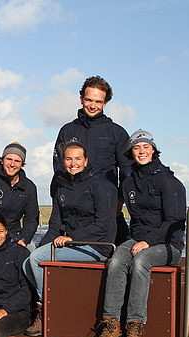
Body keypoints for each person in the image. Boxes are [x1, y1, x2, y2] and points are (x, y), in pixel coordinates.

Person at [90, 130, 186, 337]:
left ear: (153, 149)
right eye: (136, 148)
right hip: (137, 239)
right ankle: (111, 323)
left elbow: (175, 220)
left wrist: (149, 241)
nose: (141, 151)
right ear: (131, 152)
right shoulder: (129, 181)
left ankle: (134, 325)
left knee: (141, 262)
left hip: (168, 244)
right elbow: (118, 208)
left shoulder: (170, 182)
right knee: (115, 261)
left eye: (145, 147)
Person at [23, 141, 117, 336]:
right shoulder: (62, 187)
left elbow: (104, 225)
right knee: (27, 263)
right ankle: (50, 303)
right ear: (63, 161)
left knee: (37, 259)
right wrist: (44, 245)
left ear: (86, 160)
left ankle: (47, 311)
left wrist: (73, 238)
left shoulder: (101, 186)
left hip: (96, 246)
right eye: (68, 159)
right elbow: (55, 224)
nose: (73, 163)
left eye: (77, 159)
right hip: (72, 243)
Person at [53, 75, 131, 243]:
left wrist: (119, 200)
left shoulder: (116, 132)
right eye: (89, 100)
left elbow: (128, 170)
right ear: (81, 99)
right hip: (74, 208)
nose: (93, 106)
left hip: (106, 206)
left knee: (116, 252)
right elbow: (59, 169)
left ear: (105, 103)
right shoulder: (67, 131)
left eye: (98, 102)